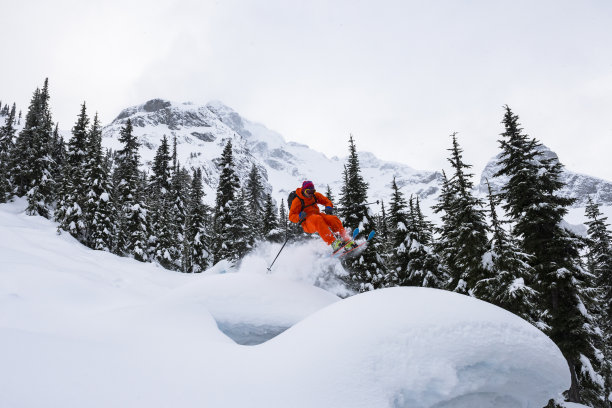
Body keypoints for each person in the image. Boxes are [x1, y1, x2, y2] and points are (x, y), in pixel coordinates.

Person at [288, 180, 354, 251]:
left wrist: (328, 206)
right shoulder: (297, 201)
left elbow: (326, 201)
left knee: (333, 219)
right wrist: (299, 216)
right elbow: (291, 216)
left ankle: (345, 239)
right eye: (308, 191)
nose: (311, 194)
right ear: (304, 190)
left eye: (313, 191)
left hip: (318, 216)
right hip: (307, 223)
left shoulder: (315, 195)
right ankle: (333, 242)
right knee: (317, 218)